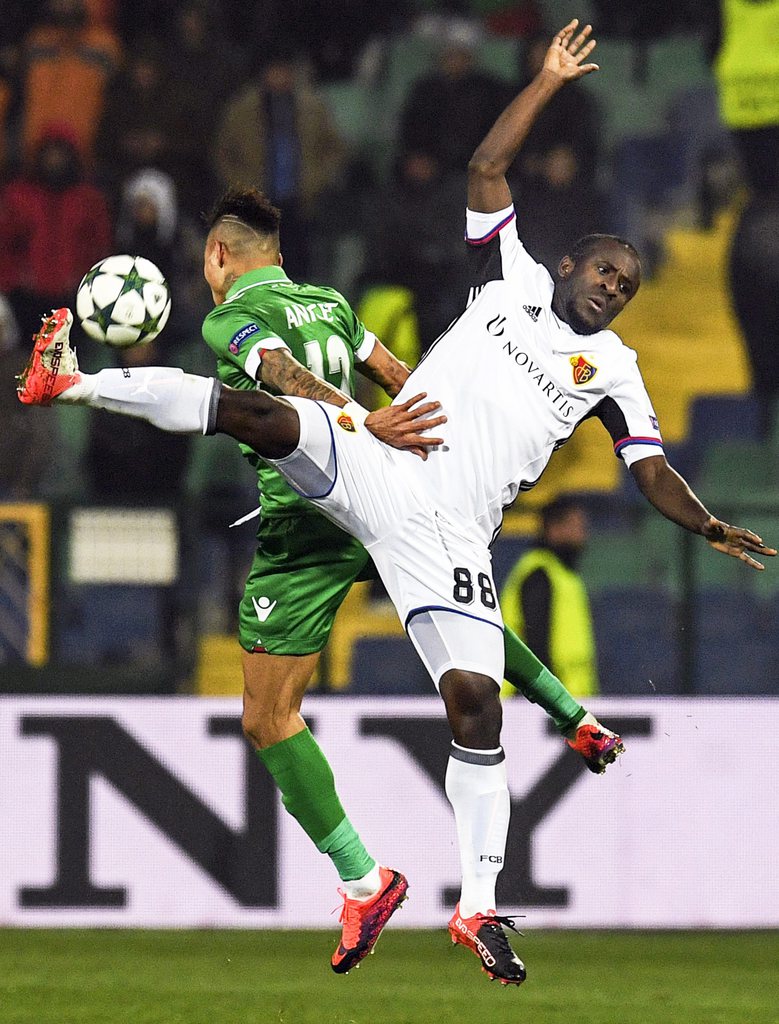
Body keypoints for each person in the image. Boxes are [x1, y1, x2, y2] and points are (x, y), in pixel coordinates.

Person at [18, 21, 775, 984]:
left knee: (472, 706)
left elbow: (648, 467)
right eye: (605, 272)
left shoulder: (616, 369)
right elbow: (486, 164)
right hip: (390, 462)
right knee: (264, 419)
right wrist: (542, 80)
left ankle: (480, 907)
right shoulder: (508, 278)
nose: (616, 290)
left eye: (626, 286)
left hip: (451, 530)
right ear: (571, 262)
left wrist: (702, 519)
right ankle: (70, 382)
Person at [501, 496, 598, 699]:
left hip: (567, 702)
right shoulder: (539, 574)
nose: (582, 534)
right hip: (542, 703)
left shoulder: (563, 575)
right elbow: (535, 645)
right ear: (554, 528)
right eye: (575, 525)